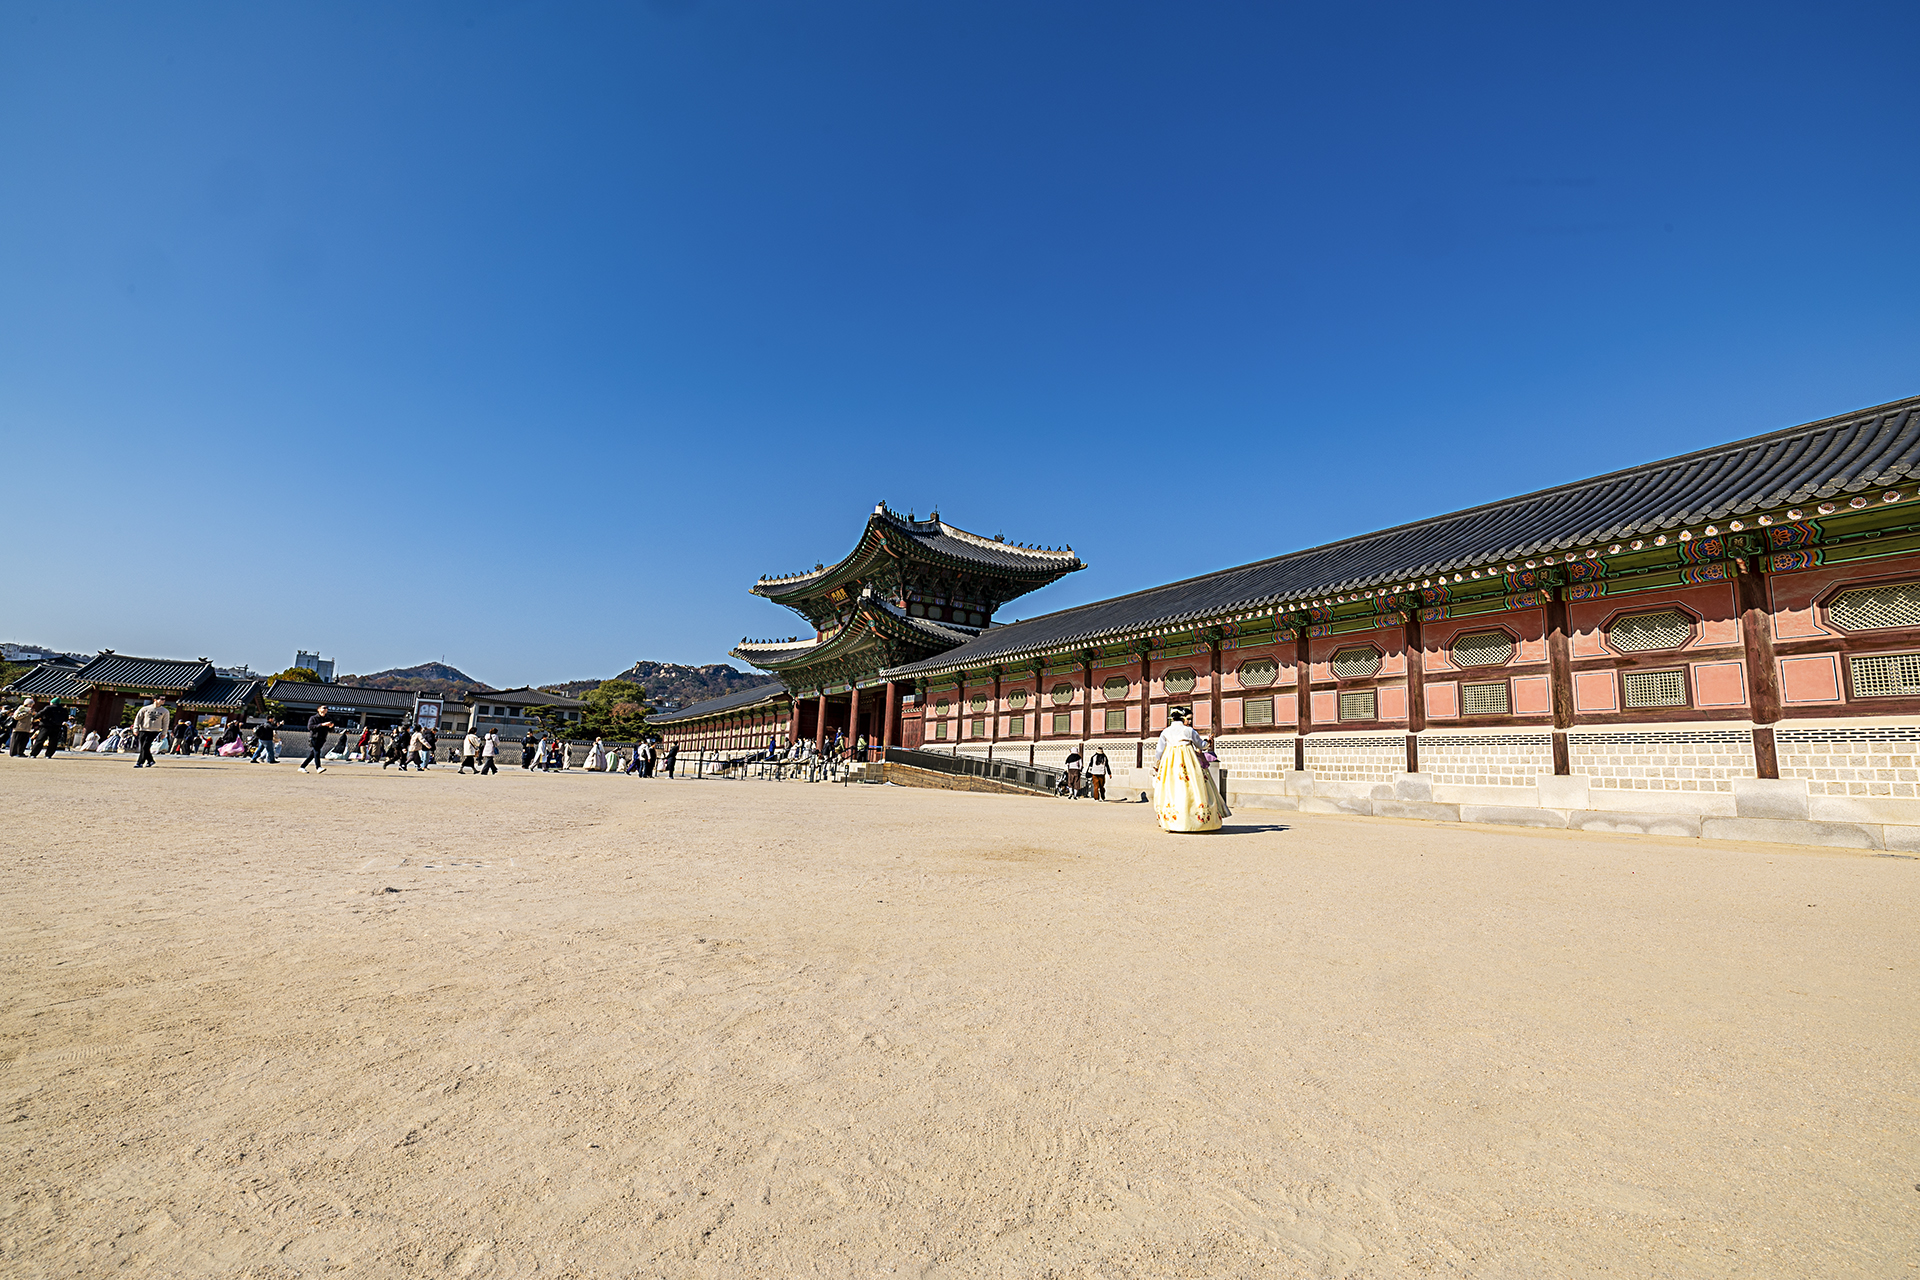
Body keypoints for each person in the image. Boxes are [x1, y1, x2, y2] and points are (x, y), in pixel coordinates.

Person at [1152, 709, 1227, 833]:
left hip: (1170, 763)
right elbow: (1201, 745)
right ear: (1182, 718)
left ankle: (1172, 821)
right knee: (1193, 788)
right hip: (1188, 762)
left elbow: (1159, 751)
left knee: (1172, 788)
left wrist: (1156, 765)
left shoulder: (1165, 732)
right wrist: (1208, 742)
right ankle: (1196, 820)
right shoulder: (1188, 731)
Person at [132, 695, 170, 768]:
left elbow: (165, 723)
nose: (163, 700)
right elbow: (138, 719)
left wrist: (164, 733)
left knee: (145, 746)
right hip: (143, 729)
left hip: (154, 731)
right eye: (162, 699)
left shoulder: (165, 711)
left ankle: (140, 762)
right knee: (144, 747)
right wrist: (135, 728)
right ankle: (150, 760)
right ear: (155, 700)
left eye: (164, 699)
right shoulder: (145, 709)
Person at [301, 706, 338, 773]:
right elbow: (310, 727)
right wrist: (322, 724)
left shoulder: (328, 718)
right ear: (318, 709)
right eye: (324, 708)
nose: (325, 709)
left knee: (313, 753)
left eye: (326, 708)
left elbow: (331, 730)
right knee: (317, 751)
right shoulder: (313, 718)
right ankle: (318, 767)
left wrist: (331, 727)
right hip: (314, 737)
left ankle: (302, 767)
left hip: (323, 738)